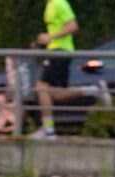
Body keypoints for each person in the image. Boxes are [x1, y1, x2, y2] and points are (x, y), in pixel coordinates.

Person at [32, 0, 78, 139]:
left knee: (41, 87)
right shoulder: (50, 5)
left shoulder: (59, 3)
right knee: (57, 94)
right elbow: (55, 30)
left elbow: (73, 26)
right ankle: (93, 90)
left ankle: (49, 130)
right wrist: (41, 42)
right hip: (56, 51)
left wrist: (50, 37)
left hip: (61, 52)